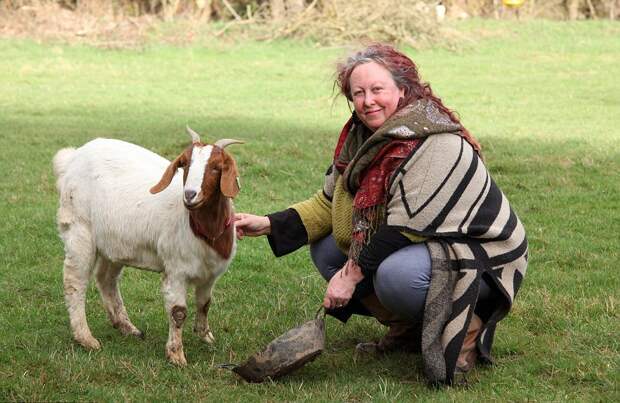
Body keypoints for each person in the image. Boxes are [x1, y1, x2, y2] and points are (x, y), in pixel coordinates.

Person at [234, 43, 528, 385]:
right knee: (328, 248)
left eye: (377, 90)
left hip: (482, 255)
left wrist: (352, 274)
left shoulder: (436, 141)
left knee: (395, 277)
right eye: (358, 93)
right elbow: (331, 203)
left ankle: (468, 330)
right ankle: (407, 330)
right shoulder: (363, 138)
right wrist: (270, 223)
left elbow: (407, 227)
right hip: (421, 239)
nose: (367, 100)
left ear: (402, 90)